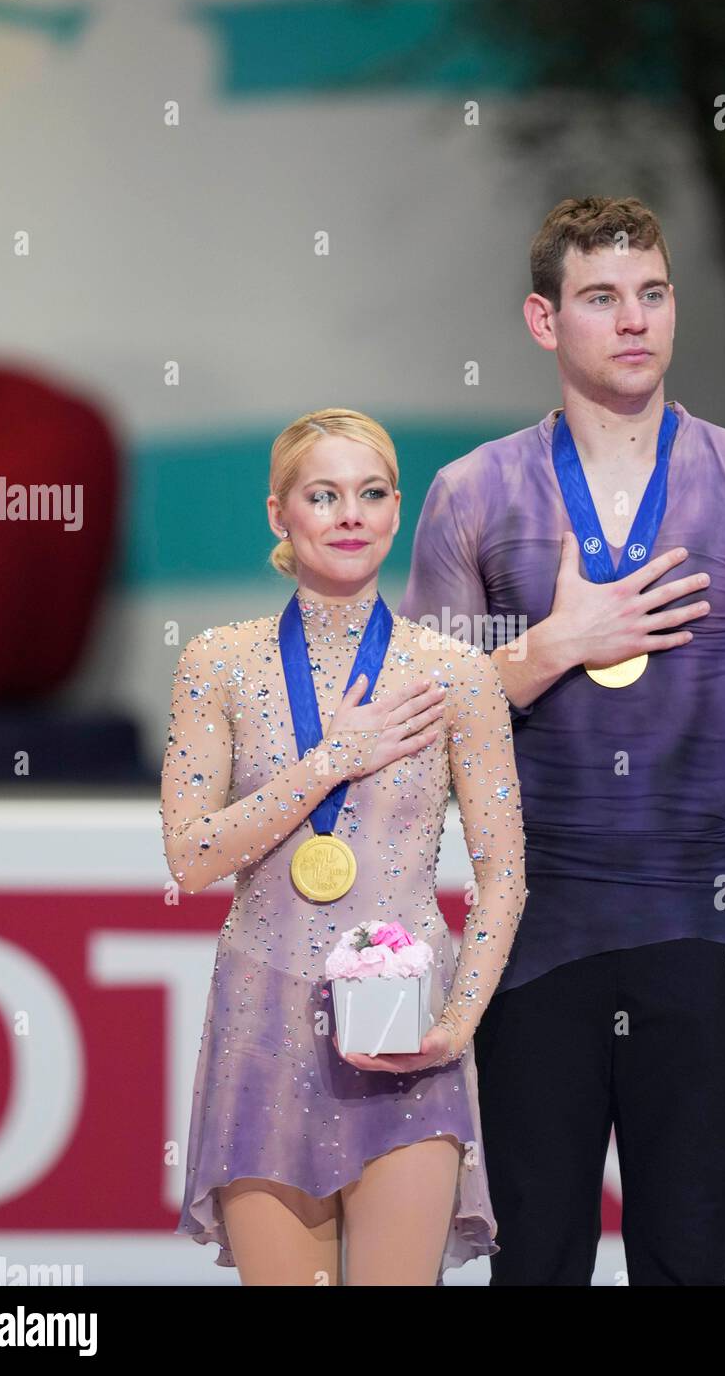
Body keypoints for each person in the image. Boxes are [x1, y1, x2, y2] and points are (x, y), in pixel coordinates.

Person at [399, 196, 725, 1285]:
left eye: (653, 294)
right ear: (543, 319)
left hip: (700, 942)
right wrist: (556, 645)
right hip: (528, 948)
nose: (634, 320)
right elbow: (414, 729)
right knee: (536, 1273)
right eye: (601, 298)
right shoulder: (471, 496)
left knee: (684, 1271)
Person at [162, 408, 526, 1285]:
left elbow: (503, 875)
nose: (349, 514)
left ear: (397, 510)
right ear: (279, 514)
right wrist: (332, 760)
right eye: (323, 496)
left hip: (406, 1031)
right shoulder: (219, 661)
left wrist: (454, 1025)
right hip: (264, 1017)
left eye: (369, 494)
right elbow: (191, 855)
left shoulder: (455, 673)